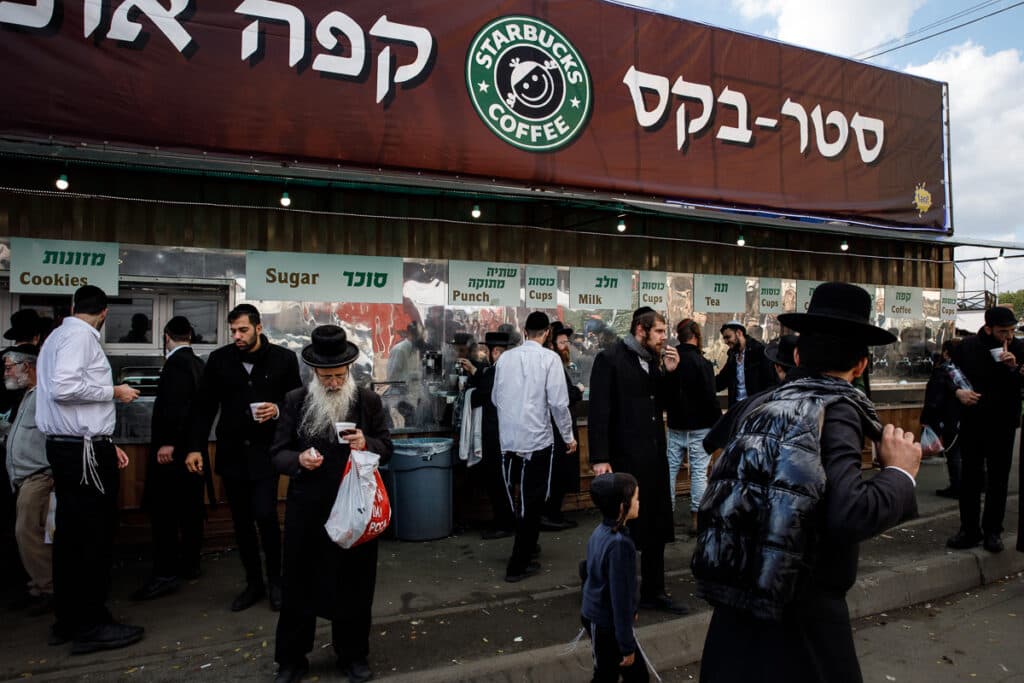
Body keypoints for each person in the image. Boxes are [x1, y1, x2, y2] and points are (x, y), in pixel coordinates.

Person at [692, 282, 920, 682]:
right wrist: (899, 474)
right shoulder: (837, 407)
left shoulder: (762, 403)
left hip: (739, 602)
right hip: (801, 613)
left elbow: (717, 462)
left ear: (797, 355)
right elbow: (847, 514)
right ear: (862, 366)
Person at [270, 325, 392, 683]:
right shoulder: (294, 401)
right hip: (308, 510)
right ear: (314, 373)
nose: (335, 383)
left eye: (340, 375)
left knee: (354, 585)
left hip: (354, 510)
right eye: (327, 377)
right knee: (298, 587)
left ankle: (352, 654)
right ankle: (292, 660)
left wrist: (365, 443)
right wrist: (299, 461)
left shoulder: (367, 401)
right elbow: (276, 454)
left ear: (349, 370)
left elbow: (387, 447)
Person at [35, 285, 144, 653]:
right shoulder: (81, 337)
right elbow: (66, 388)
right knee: (92, 537)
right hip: (81, 454)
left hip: (73, 447)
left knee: (70, 537)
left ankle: (68, 619)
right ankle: (90, 625)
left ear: (72, 306)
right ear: (105, 313)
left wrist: (106, 445)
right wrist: (114, 392)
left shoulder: (55, 337)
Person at [186, 304, 301, 612]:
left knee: (265, 515)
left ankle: (277, 582)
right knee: (241, 522)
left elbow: (296, 401)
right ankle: (253, 583)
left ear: (258, 328)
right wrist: (195, 447)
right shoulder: (219, 359)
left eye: (243, 330)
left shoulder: (284, 359)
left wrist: (277, 409)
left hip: (266, 451)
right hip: (232, 451)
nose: (237, 336)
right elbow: (204, 406)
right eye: (233, 331)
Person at [588, 308, 686, 615]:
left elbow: (666, 404)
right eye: (658, 331)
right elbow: (599, 412)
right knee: (623, 528)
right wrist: (600, 458)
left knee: (655, 526)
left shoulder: (653, 362)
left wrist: (670, 373)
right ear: (641, 330)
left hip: (655, 459)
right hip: (625, 460)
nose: (663, 338)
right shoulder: (611, 359)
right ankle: (609, 586)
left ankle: (654, 591)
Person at [493, 311, 576, 583]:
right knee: (532, 500)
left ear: (525, 330)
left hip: (509, 440)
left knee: (518, 497)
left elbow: (496, 397)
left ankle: (529, 547)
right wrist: (568, 437)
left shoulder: (505, 358)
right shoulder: (549, 359)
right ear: (547, 333)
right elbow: (559, 404)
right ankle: (519, 564)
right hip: (536, 440)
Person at [132, 316, 207, 601]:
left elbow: (175, 408)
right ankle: (190, 564)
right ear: (191, 335)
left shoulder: (175, 364)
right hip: (193, 452)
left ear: (166, 337)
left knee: (164, 513)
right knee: (190, 510)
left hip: (173, 455)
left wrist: (167, 443)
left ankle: (165, 572)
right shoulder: (198, 363)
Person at [946, 306, 1024, 553]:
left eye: (1011, 331)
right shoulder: (967, 346)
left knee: (998, 478)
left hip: (1004, 421)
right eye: (1003, 331)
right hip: (974, 420)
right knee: (971, 477)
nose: (1008, 337)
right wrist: (958, 392)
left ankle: (993, 531)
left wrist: (1014, 368)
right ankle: (969, 530)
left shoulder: (1018, 348)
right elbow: (946, 375)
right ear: (988, 328)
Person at [581, 473, 648, 683]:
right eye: (636, 498)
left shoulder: (601, 532)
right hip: (607, 624)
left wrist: (632, 609)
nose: (639, 502)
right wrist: (626, 644)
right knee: (623, 676)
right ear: (622, 507)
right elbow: (619, 597)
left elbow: (586, 572)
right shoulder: (620, 545)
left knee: (610, 674)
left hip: (595, 617)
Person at [5, 346, 53, 615]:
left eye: (10, 366)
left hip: (38, 476)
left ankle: (48, 588)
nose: (6, 372)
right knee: (31, 535)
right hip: (24, 478)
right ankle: (38, 586)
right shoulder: (28, 395)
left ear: (29, 366)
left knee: (29, 534)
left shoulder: (44, 394)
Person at [665, 319, 721, 534]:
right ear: (696, 335)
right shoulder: (702, 363)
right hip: (700, 426)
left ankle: (666, 518)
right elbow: (710, 397)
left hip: (675, 424)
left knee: (669, 472)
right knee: (699, 473)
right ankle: (697, 521)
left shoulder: (671, 359)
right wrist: (719, 425)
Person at [465, 331, 516, 539]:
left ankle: (505, 523)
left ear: (496, 351)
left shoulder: (497, 372)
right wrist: (477, 372)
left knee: (498, 481)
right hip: (505, 433)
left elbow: (480, 395)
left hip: (496, 434)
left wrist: (467, 392)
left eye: (487, 350)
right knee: (502, 481)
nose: (485, 354)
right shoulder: (504, 370)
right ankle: (503, 520)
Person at [541, 321, 583, 531]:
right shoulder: (553, 363)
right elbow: (561, 397)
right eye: (563, 341)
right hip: (557, 429)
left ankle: (553, 513)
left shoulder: (556, 361)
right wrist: (578, 391)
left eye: (567, 341)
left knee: (559, 473)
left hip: (559, 426)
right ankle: (551, 515)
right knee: (557, 473)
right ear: (552, 343)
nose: (566, 345)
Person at [920, 339, 964, 499]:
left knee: (953, 454)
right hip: (961, 417)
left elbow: (934, 399)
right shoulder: (962, 370)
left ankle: (957, 486)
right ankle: (966, 485)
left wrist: (927, 419)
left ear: (946, 353)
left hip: (947, 418)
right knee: (960, 453)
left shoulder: (943, 371)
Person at [715, 320, 776, 407]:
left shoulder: (759, 351)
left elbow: (770, 383)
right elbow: (722, 380)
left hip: (754, 408)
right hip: (737, 408)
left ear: (739, 333)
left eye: (728, 337)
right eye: (724, 338)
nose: (726, 341)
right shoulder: (733, 356)